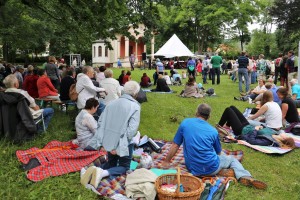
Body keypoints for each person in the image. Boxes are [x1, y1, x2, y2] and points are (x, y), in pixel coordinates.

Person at [161, 103, 267, 190]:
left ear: (196, 112)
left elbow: (175, 145)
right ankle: (244, 176)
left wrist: (166, 161)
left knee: (216, 160)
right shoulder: (213, 131)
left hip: (192, 167)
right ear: (209, 116)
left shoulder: (185, 123)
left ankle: (223, 172)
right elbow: (218, 152)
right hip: (211, 166)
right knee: (231, 159)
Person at [82, 81, 141, 188]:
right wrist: (119, 146)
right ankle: (102, 173)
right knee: (124, 166)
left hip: (109, 140)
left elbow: (101, 123)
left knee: (111, 163)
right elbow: (131, 130)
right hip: (123, 142)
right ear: (136, 93)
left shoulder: (111, 104)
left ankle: (91, 172)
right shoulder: (135, 106)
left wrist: (105, 142)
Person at [218, 106, 295, 149]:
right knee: (232, 107)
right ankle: (227, 126)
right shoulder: (276, 133)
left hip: (242, 131)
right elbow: (265, 128)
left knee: (228, 110)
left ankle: (218, 128)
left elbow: (252, 141)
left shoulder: (269, 141)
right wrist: (261, 126)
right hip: (248, 126)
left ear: (284, 139)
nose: (285, 134)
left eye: (286, 136)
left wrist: (255, 129)